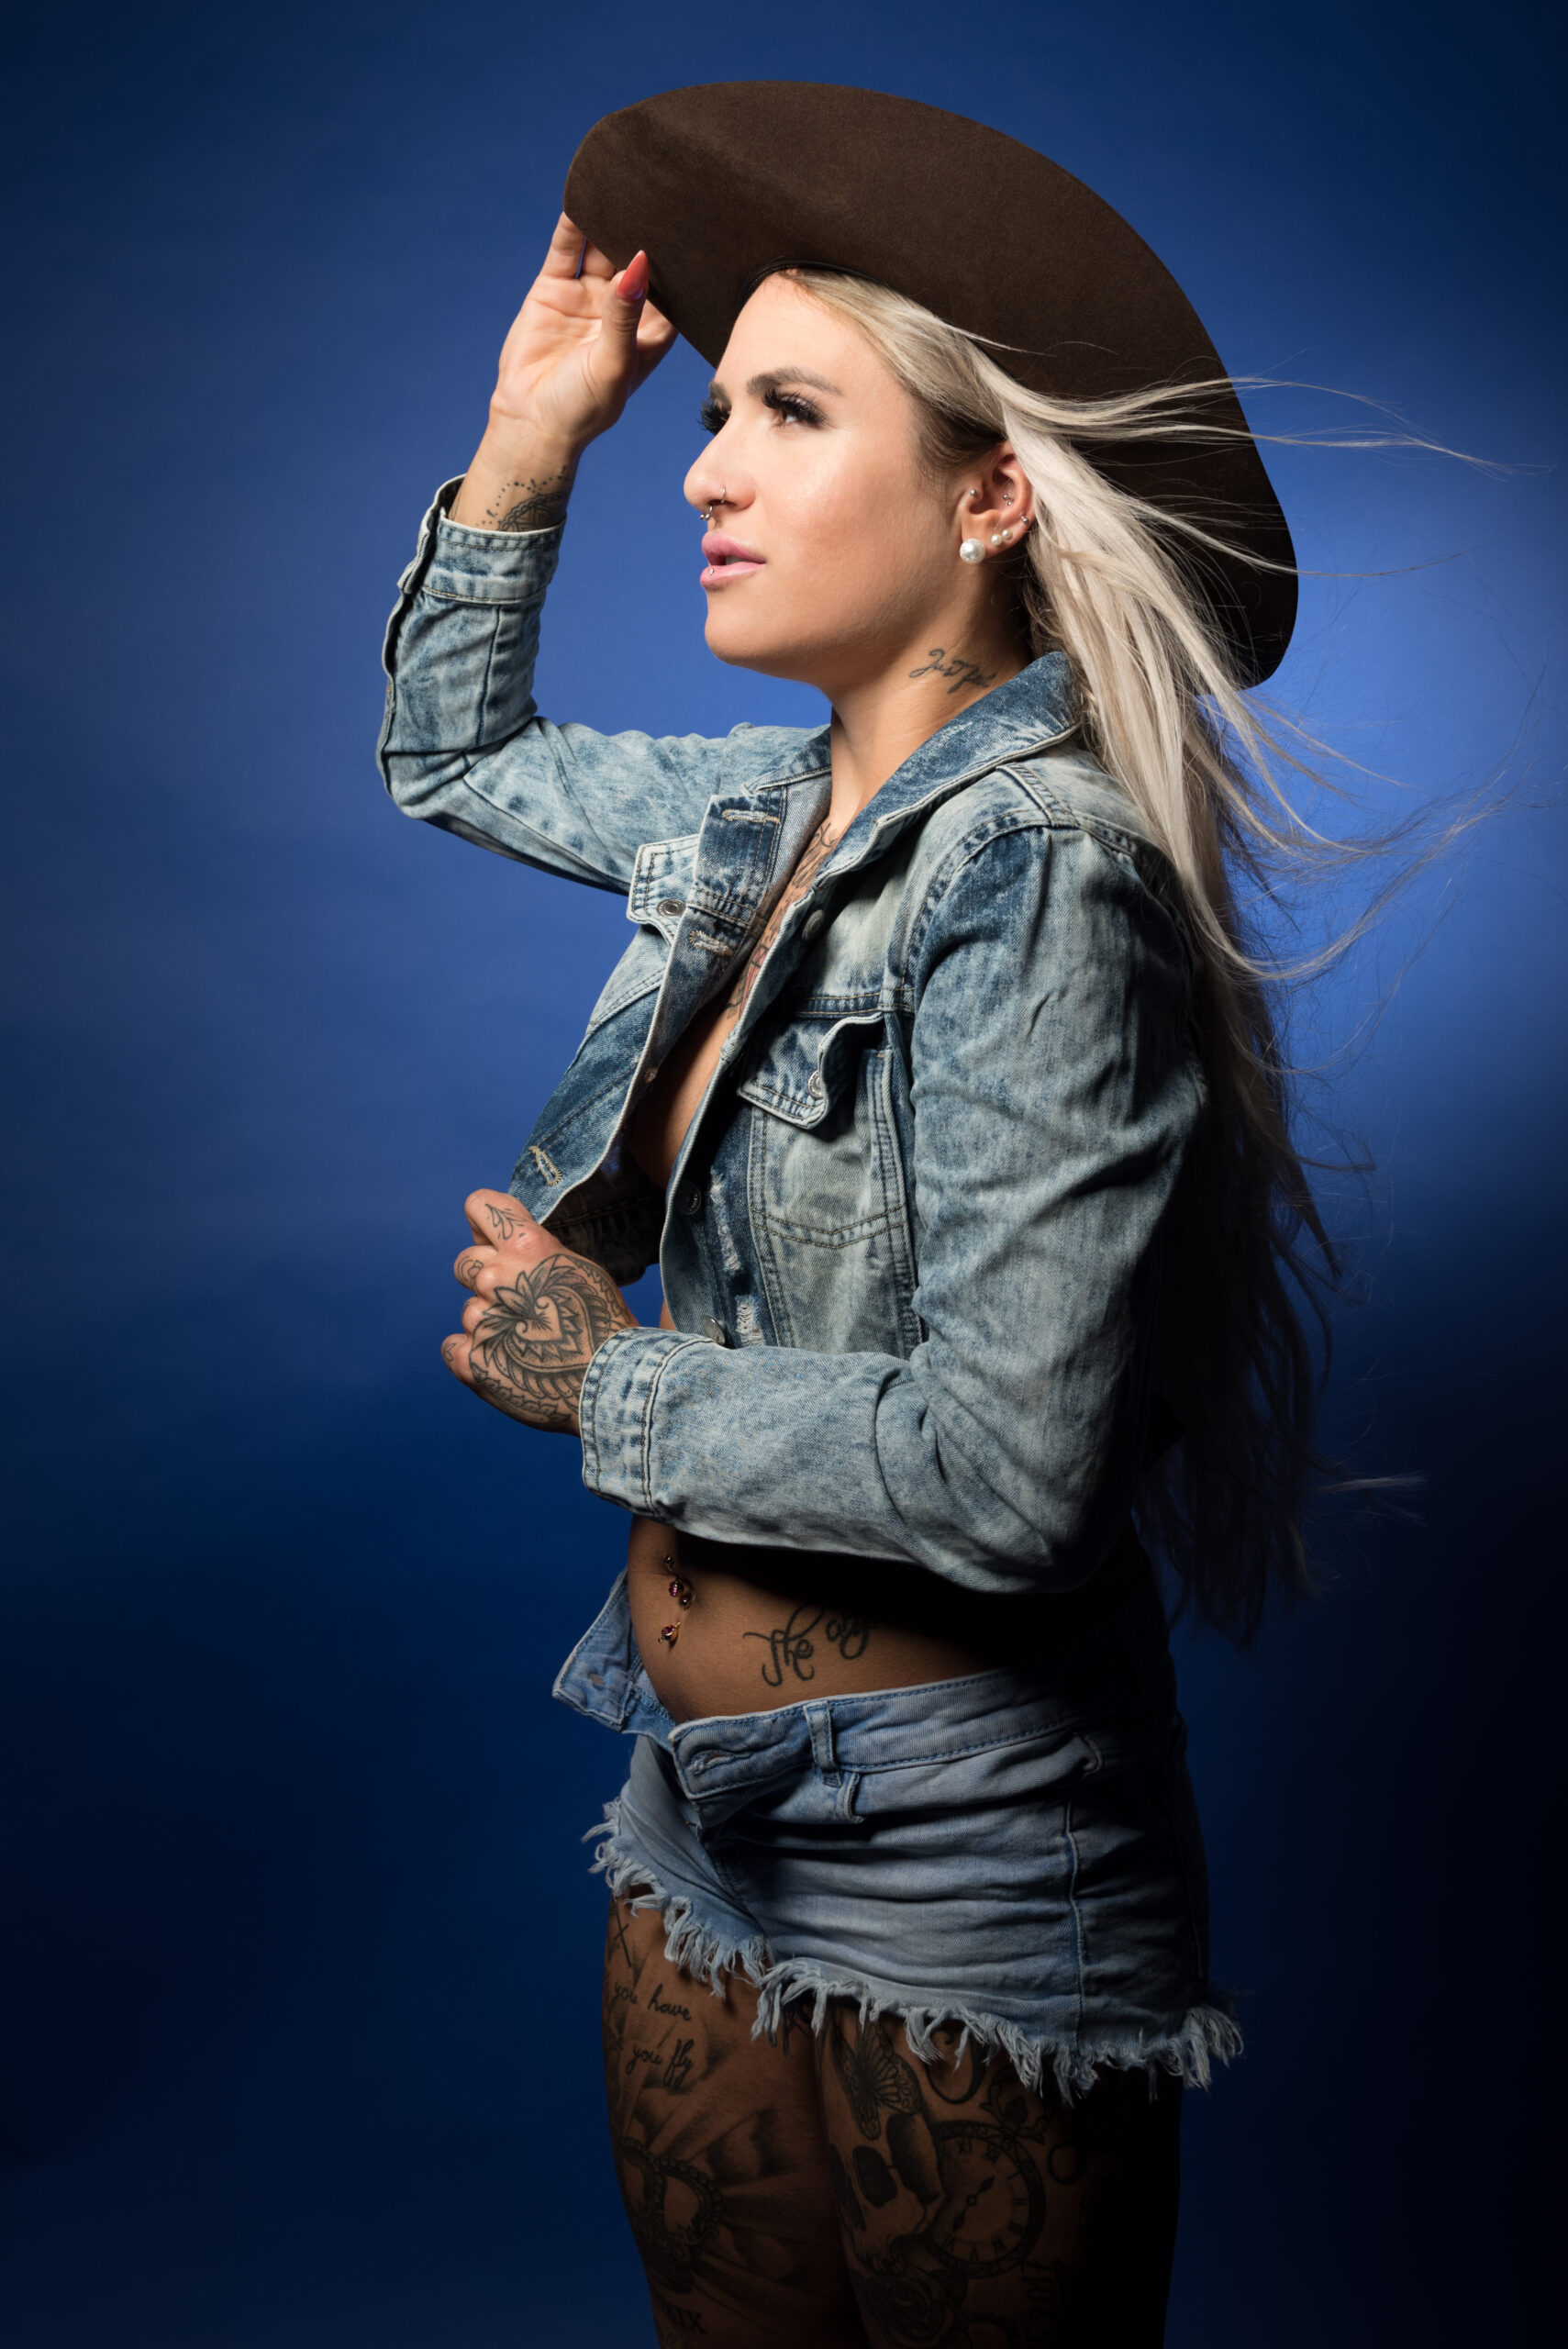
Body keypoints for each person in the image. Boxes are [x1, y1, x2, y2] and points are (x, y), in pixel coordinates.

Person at [378, 83, 1328, 2349]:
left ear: (994, 492)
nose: (703, 472)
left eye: (788, 414)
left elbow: (1009, 1474)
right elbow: (450, 752)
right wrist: (531, 435)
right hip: (696, 1798)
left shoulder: (1045, 872)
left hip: (962, 1840)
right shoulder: (763, 809)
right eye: (719, 411)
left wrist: (609, 1381)